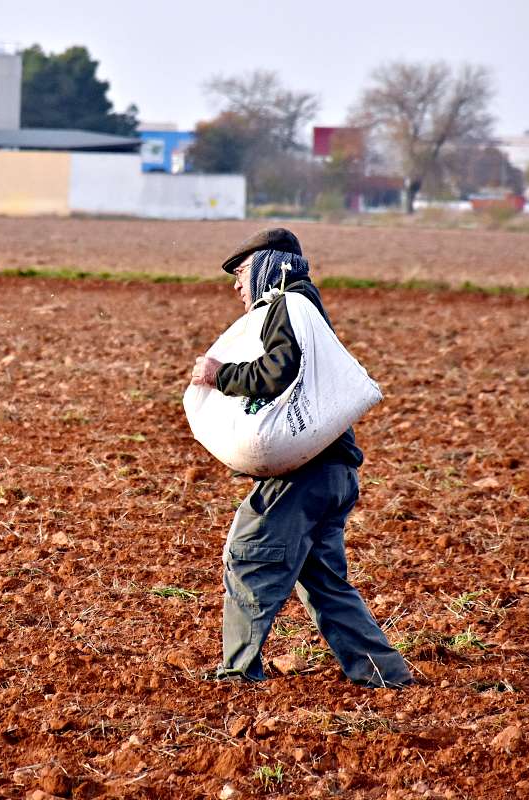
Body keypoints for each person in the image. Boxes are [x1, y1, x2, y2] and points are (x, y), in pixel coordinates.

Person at [189, 227, 412, 689]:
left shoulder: (288, 305)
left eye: (243, 272)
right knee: (326, 582)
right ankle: (384, 676)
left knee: (251, 557)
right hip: (335, 474)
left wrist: (218, 374)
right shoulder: (307, 309)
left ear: (270, 266)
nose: (236, 284)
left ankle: (236, 673)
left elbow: (277, 371)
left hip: (304, 478)